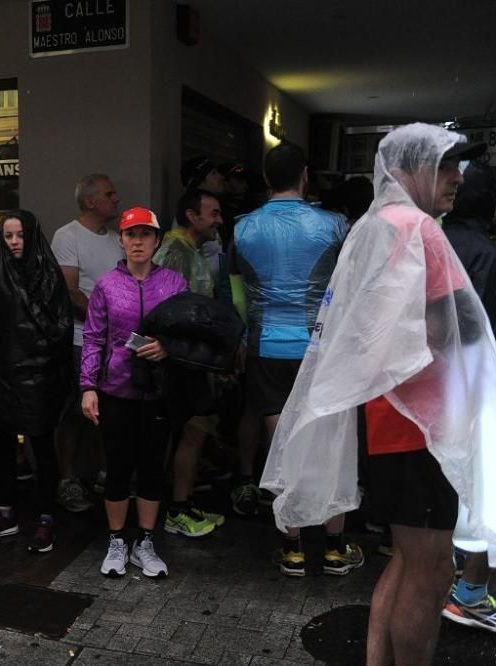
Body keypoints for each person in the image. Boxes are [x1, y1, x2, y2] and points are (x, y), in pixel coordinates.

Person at [258, 124, 496, 665]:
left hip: (389, 420)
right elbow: (435, 331)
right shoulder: (420, 231)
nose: (459, 178)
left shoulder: (374, 224)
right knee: (434, 568)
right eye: (448, 165)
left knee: (406, 560)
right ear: (411, 168)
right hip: (423, 425)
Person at [231, 143, 361, 579]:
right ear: (305, 174)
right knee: (329, 444)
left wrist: (245, 337)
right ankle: (334, 547)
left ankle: (292, 549)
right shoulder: (334, 225)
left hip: (266, 345)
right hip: (319, 348)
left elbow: (236, 292)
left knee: (281, 442)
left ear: (267, 178)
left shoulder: (242, 228)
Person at [81, 206, 187, 578]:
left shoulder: (174, 283)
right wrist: (88, 386)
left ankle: (145, 541)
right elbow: (94, 337)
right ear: (122, 240)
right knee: (117, 467)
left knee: (152, 468)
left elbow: (188, 334)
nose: (138, 241)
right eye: (130, 235)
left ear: (157, 241)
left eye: (145, 234)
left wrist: (167, 348)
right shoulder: (108, 285)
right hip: (116, 390)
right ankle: (116, 540)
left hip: (158, 391)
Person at [0, 210, 73, 552]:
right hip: (0, 373)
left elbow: (58, 325)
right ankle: (5, 511)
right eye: (8, 236)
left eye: (20, 236)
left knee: (42, 447)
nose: (15, 242)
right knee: (3, 447)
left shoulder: (46, 273)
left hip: (38, 374)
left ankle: (47, 517)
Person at [440, 161, 496, 632]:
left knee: (445, 481)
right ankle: (470, 593)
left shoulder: (432, 240)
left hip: (433, 386)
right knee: (482, 489)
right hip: (478, 383)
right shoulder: (486, 252)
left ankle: (445, 576)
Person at [153, 189, 226, 537]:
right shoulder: (174, 252)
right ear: (192, 215)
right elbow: (167, 313)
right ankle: (176, 510)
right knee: (192, 430)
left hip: (195, 360)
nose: (218, 220)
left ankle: (181, 503)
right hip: (181, 363)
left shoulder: (192, 252)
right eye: (212, 213)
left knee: (197, 430)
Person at [51, 174, 123, 512]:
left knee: (109, 410)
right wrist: (103, 324)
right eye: (110, 194)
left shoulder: (116, 240)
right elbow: (69, 291)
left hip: (117, 343)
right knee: (75, 411)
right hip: (83, 341)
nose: (116, 199)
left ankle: (104, 476)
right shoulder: (67, 236)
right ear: (91, 201)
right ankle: (67, 480)